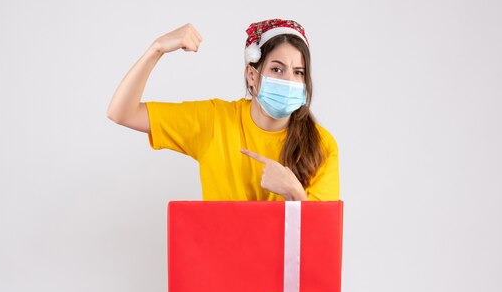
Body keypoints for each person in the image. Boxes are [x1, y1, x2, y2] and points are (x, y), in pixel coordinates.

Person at [107, 19, 339, 201]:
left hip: (283, 264)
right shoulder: (215, 121)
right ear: (252, 75)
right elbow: (122, 112)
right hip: (221, 261)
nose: (289, 79)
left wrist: (294, 193)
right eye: (277, 70)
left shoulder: (322, 146)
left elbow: (320, 242)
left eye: (298, 72)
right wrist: (156, 49)